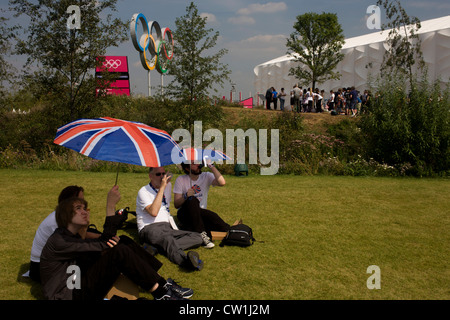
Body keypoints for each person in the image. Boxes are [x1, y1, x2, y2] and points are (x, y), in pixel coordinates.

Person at [40, 186, 192, 300]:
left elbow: (100, 244)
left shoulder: (70, 235)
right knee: (119, 251)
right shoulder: (60, 240)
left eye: (85, 207)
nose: (85, 211)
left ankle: (162, 283)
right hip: (69, 294)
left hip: (76, 278)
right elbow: (104, 244)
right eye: (79, 208)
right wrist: (110, 207)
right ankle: (161, 293)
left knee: (123, 242)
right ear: (66, 213)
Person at [136, 167, 204, 271]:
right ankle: (186, 262)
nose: (162, 177)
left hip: (166, 227)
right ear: (150, 176)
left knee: (198, 237)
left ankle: (157, 247)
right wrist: (162, 188)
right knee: (168, 240)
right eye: (158, 174)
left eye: (164, 174)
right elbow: (153, 212)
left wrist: (164, 186)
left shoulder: (168, 186)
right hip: (149, 228)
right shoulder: (143, 191)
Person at [29, 185, 98, 283]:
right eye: (80, 201)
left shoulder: (63, 216)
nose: (84, 205)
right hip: (40, 268)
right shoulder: (58, 222)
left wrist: (101, 237)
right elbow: (79, 247)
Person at [173, 160, 230, 249]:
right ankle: (202, 235)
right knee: (192, 200)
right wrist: (186, 196)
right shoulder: (181, 179)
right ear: (187, 168)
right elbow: (176, 204)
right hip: (185, 214)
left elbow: (222, 182)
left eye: (197, 162)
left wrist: (211, 165)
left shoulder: (206, 176)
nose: (198, 165)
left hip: (200, 213)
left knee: (221, 226)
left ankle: (193, 230)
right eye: (193, 164)